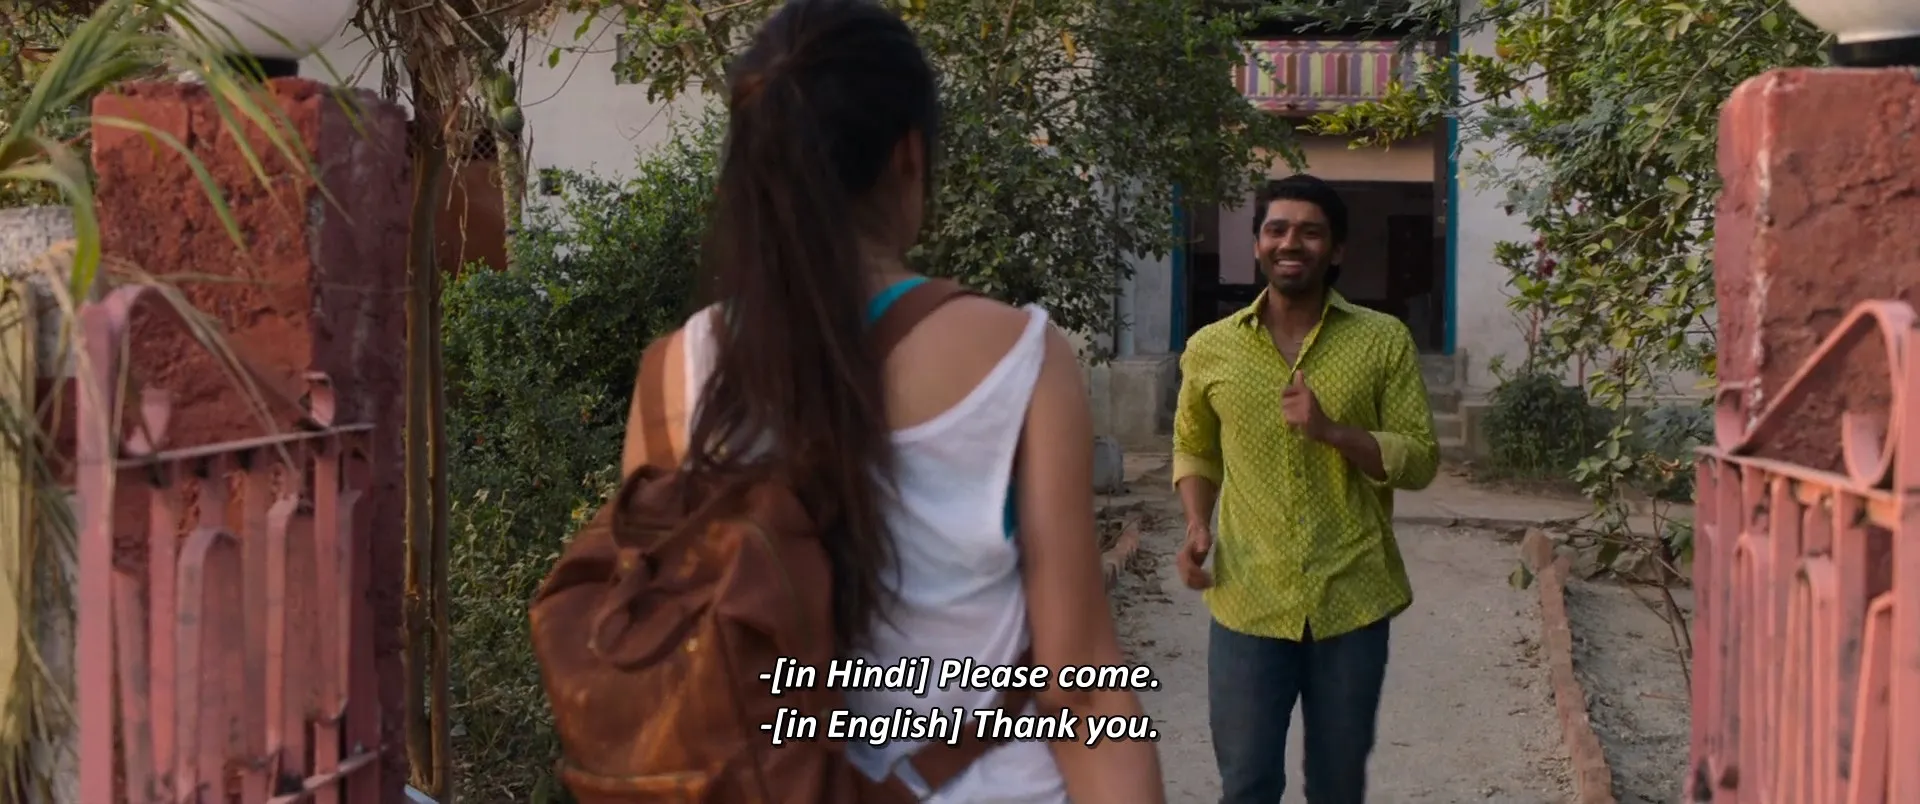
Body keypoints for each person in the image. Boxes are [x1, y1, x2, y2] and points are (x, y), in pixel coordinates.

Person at [615, 1, 1167, 801]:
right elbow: (1079, 690)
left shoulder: (670, 374)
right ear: (910, 154)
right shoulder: (1018, 356)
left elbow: (656, 651)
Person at [1170, 174, 1439, 804]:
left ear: (1336, 249)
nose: (1291, 242)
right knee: (1247, 783)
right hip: (1249, 597)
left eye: (1310, 232)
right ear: (1258, 244)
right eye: (1277, 229)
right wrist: (1197, 524)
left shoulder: (1382, 340)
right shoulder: (1211, 349)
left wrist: (1333, 432)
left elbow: (1420, 459)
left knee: (1337, 787)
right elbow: (1195, 448)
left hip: (1352, 597)